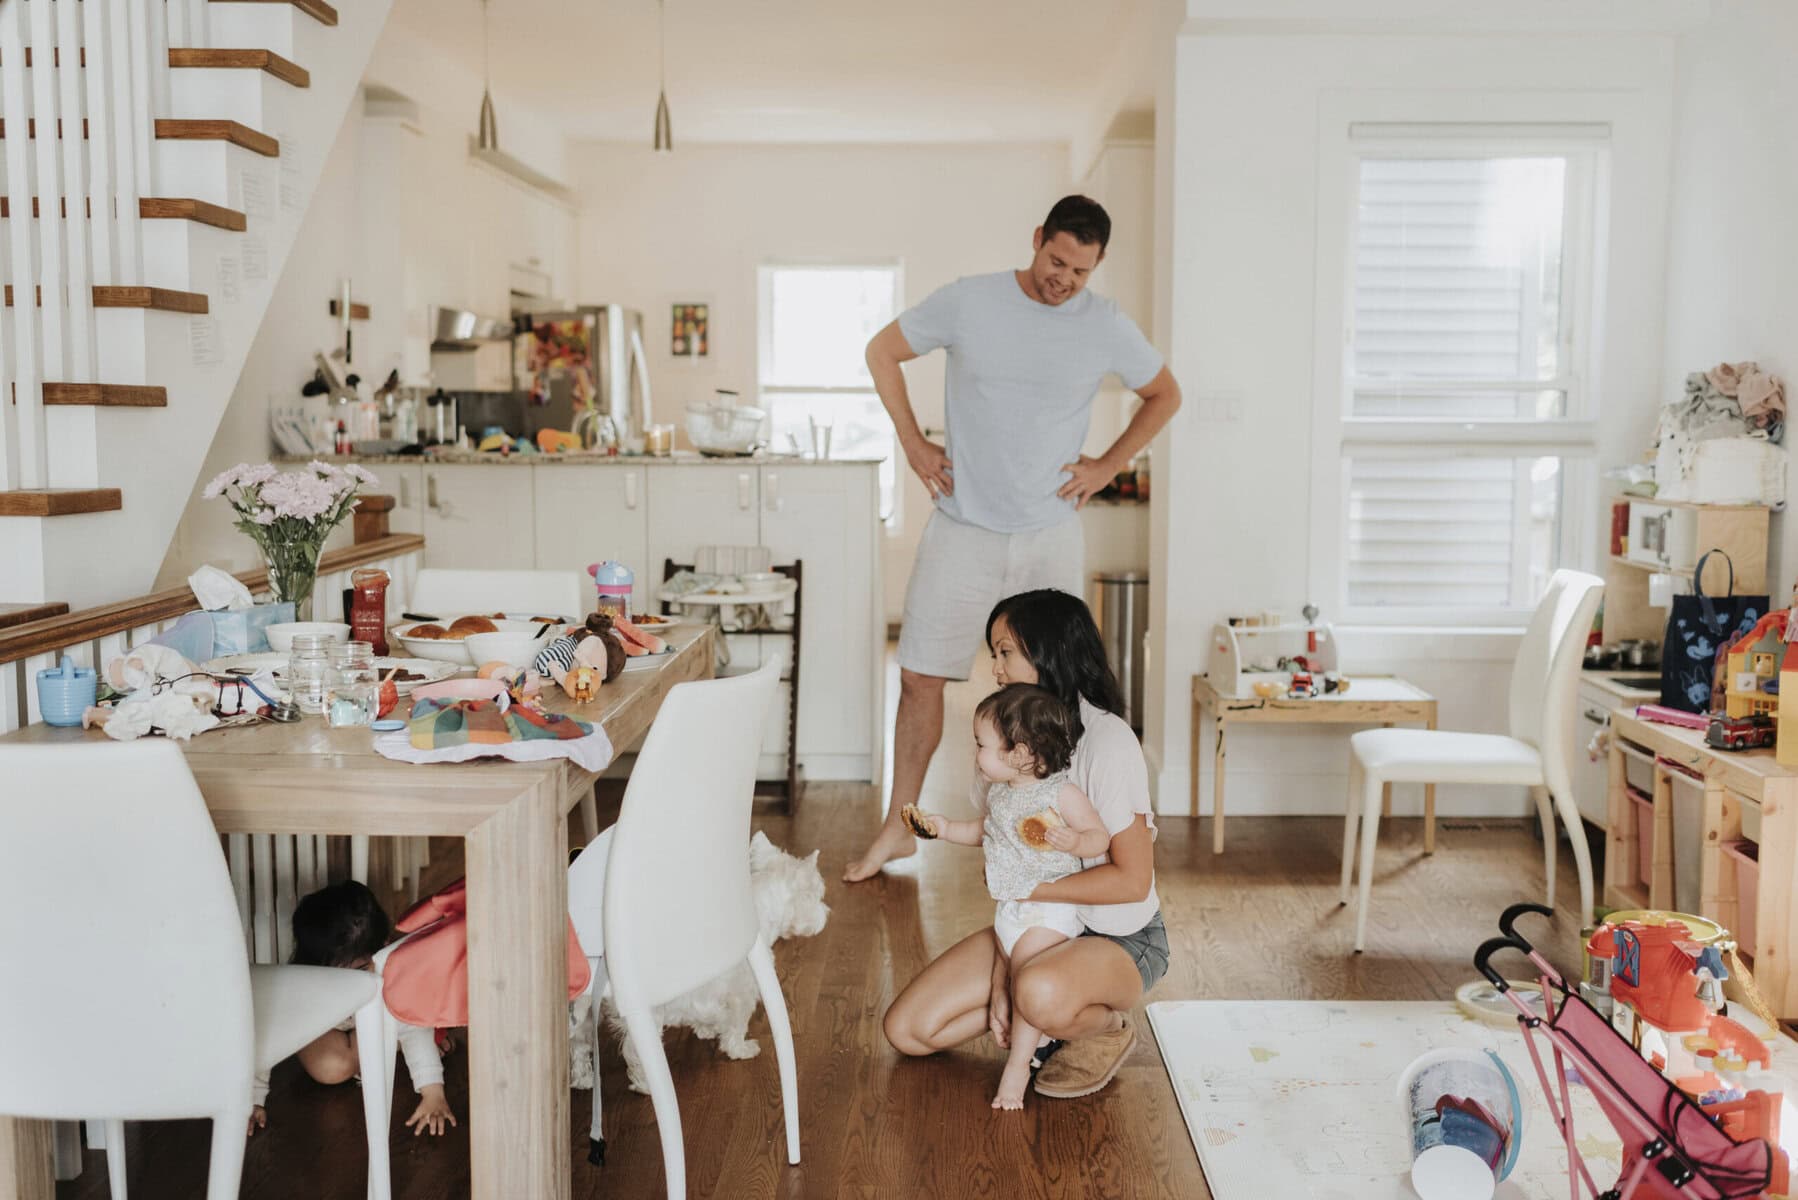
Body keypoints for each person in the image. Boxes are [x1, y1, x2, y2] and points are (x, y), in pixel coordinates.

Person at [844, 193, 1182, 883]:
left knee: (1058, 689)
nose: (1064, 280)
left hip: (1048, 533)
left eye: (1081, 272)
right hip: (964, 524)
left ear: (1097, 267)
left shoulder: (1105, 325)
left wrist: (1108, 465)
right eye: (1057, 261)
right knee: (917, 679)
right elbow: (882, 351)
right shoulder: (972, 301)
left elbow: (1165, 394)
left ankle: (1064, 835)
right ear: (1037, 241)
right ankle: (898, 827)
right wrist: (912, 442)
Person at [883, 589, 1168, 1099]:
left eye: (1004, 652)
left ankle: (1099, 1029)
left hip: (1118, 937)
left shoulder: (1108, 743)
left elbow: (1132, 880)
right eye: (993, 654)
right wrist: (1003, 970)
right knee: (907, 1030)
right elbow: (1000, 861)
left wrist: (1028, 897)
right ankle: (1040, 1014)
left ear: (1048, 651)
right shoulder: (1009, 742)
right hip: (1034, 926)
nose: (994, 668)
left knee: (1036, 991)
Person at [906, 683, 1112, 1108]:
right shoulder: (1001, 794)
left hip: (1051, 912)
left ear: (1019, 755)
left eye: (981, 745)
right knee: (1013, 978)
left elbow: (1099, 837)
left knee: (1023, 982)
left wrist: (1075, 842)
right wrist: (943, 828)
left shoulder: (1060, 794)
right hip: (1011, 910)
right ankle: (1038, 1028)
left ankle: (1018, 1067)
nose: (975, 754)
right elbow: (982, 832)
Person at [247, 881, 457, 1138]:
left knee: (411, 1013)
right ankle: (394, 1041)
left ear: (383, 948)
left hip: (379, 1017)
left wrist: (433, 1094)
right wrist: (253, 1100)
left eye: (358, 970)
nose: (346, 983)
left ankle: (404, 1032)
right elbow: (268, 1035)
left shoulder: (386, 973)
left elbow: (416, 1032)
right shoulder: (304, 984)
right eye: (334, 973)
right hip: (332, 1028)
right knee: (330, 1069)